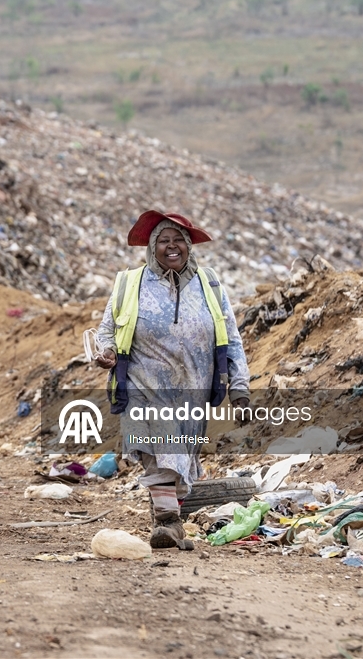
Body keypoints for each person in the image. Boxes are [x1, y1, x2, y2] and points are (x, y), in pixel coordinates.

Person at [94, 210, 249, 550]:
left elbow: (232, 338)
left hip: (193, 390)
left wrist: (240, 389)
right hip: (141, 384)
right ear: (152, 247)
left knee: (181, 458)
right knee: (159, 449)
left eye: (178, 239)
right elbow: (107, 331)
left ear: (190, 245)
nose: (171, 246)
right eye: (163, 240)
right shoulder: (130, 284)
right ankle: (167, 523)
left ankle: (168, 514)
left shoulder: (209, 285)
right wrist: (105, 351)